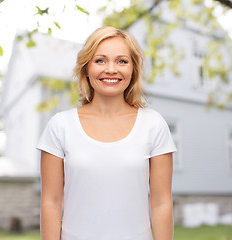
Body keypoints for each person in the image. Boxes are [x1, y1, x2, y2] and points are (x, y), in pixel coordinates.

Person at [37, 26, 177, 240]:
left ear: (133, 70)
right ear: (86, 68)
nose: (111, 69)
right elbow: (51, 202)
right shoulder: (60, 126)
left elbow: (161, 202)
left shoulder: (153, 124)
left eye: (122, 61)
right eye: (100, 60)